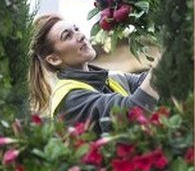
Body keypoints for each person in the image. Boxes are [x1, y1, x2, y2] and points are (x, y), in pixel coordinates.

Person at [28, 13, 159, 133]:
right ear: (54, 59)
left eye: (76, 29)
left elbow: (158, 83)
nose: (81, 36)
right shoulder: (70, 99)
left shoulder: (110, 78)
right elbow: (134, 111)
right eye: (67, 36)